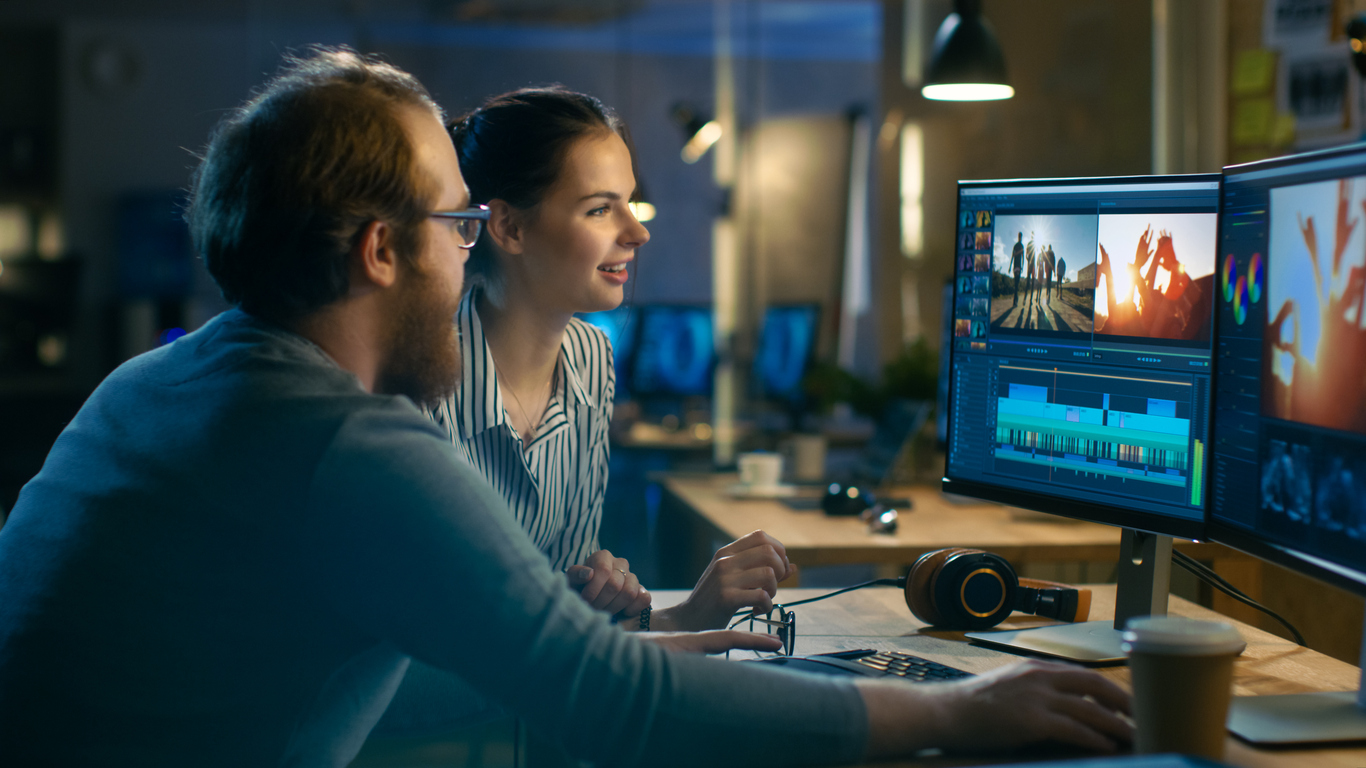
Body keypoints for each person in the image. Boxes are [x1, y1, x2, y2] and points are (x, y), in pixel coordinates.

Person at [0, 47, 1133, 768]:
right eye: (458, 226)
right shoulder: (346, 445)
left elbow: (389, 683)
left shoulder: (151, 387)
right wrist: (951, 714)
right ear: (383, 250)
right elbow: (605, 707)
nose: (468, 253)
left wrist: (628, 641)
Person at [434, 86, 793, 633]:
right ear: (508, 227)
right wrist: (671, 624)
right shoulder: (419, 376)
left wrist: (641, 606)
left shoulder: (591, 357)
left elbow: (564, 627)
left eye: (628, 202)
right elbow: (441, 631)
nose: (638, 232)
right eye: (600, 209)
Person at [1010, 232, 1024, 306]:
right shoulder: (1016, 246)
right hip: (1015, 266)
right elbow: (1012, 256)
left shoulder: (1021, 246)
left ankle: (1015, 300)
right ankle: (1015, 300)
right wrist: (1010, 266)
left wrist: (1022, 266)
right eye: (1019, 236)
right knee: (1016, 283)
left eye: (1020, 236)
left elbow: (1023, 257)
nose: (1019, 237)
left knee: (1017, 283)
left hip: (1018, 266)